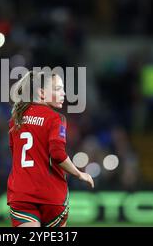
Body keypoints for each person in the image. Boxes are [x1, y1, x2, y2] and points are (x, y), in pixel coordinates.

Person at [7, 70, 94, 227]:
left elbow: (15, 154)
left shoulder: (16, 119)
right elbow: (58, 154)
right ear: (41, 93)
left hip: (22, 194)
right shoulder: (55, 118)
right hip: (51, 196)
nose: (64, 93)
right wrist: (79, 173)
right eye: (58, 89)